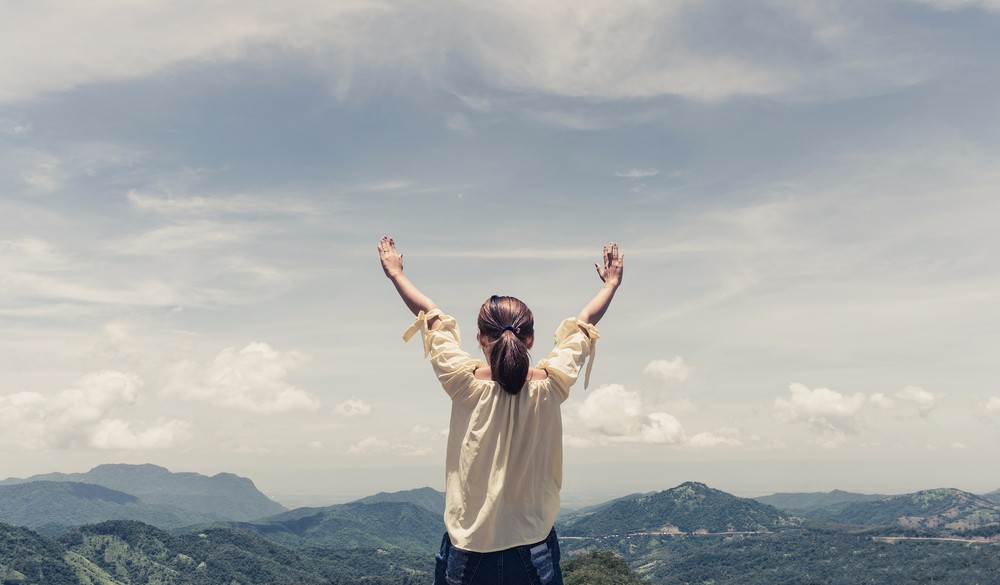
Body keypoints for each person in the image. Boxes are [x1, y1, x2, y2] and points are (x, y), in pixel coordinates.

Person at [377, 236, 624, 585]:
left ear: (480, 337)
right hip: (532, 547)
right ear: (531, 339)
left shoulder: (461, 382)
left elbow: (433, 317)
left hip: (469, 549)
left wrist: (396, 274)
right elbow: (583, 323)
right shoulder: (553, 383)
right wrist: (611, 283)